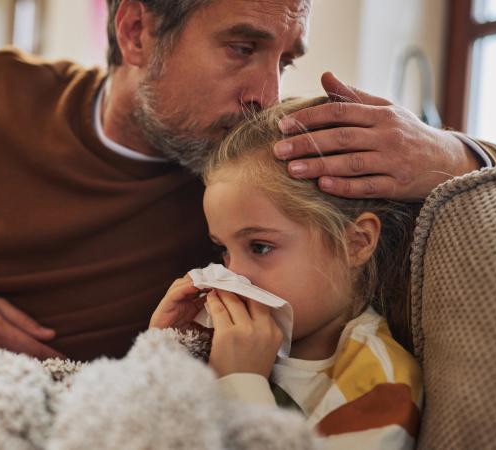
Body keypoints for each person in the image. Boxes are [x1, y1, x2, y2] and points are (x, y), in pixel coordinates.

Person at [0, 0, 496, 361]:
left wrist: (453, 155)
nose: (266, 91)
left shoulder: (279, 164)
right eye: (241, 47)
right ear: (137, 32)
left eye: (284, 60)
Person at [150, 97, 422, 448]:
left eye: (260, 247)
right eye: (224, 250)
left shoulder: (379, 381)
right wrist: (165, 354)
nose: (235, 275)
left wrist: (239, 383)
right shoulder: (221, 342)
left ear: (356, 243)